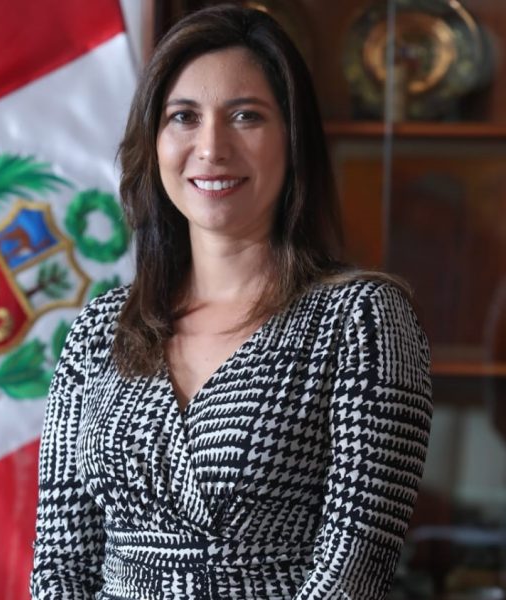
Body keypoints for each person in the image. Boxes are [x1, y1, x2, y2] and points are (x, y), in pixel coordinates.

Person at [30, 4, 433, 599]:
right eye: (184, 117)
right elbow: (60, 566)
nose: (211, 147)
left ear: (292, 140)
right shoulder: (101, 329)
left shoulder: (363, 320)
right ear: (154, 141)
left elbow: (354, 570)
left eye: (246, 116)